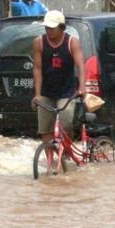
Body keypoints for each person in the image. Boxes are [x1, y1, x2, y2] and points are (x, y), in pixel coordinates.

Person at [31, 10, 86, 146]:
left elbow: (81, 67)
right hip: (46, 91)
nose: (48, 30)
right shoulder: (39, 42)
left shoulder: (72, 42)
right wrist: (37, 94)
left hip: (66, 91)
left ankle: (66, 152)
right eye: (47, 27)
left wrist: (82, 88)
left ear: (61, 28)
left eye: (52, 28)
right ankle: (50, 162)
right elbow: (37, 69)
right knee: (45, 128)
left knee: (66, 123)